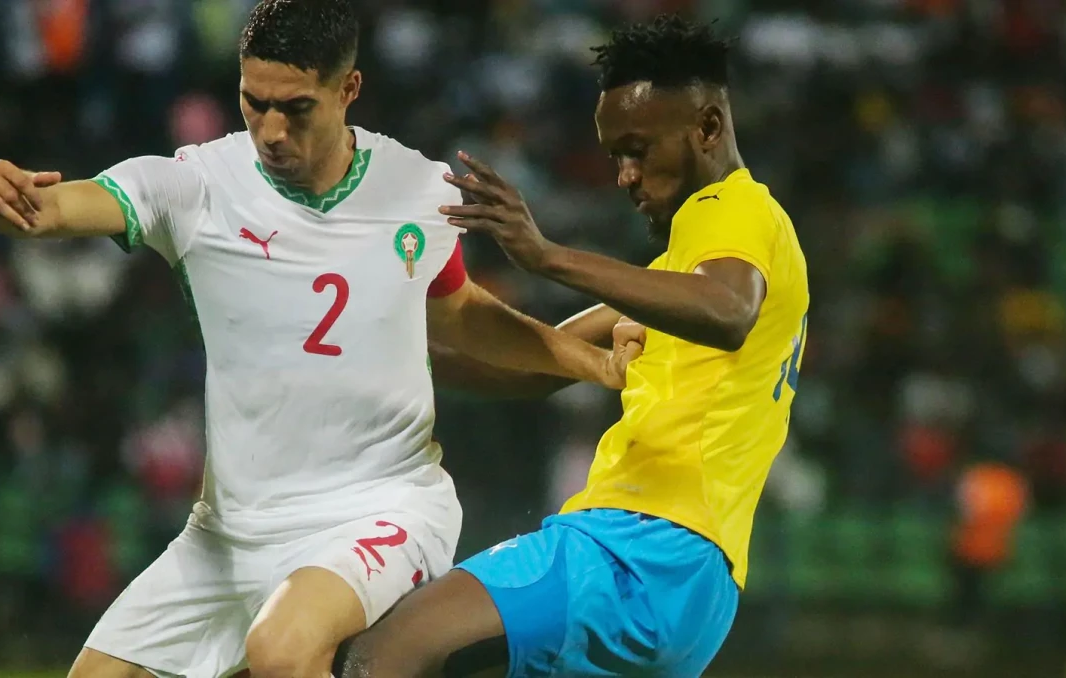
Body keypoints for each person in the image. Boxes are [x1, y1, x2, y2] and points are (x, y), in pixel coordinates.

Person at [0, 2, 640, 677]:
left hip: (383, 505)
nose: (271, 130)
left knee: (282, 649)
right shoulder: (195, 187)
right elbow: (56, 206)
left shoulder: (419, 189)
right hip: (229, 533)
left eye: (296, 108)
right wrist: (4, 195)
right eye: (254, 103)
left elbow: (457, 313)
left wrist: (588, 360)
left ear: (348, 89)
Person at [338, 15, 810, 678]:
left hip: (639, 549)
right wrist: (359, 356)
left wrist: (546, 257)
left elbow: (728, 311)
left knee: (383, 655)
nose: (624, 176)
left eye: (637, 149)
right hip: (695, 587)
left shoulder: (734, 210)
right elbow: (537, 364)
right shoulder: (677, 275)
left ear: (707, 128)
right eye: (616, 155)